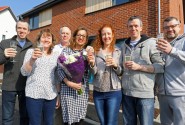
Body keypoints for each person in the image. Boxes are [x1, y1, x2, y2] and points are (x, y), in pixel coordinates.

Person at [121, 16, 164, 125]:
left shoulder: (151, 43)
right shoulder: (123, 46)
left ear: (141, 27)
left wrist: (139, 67)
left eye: (136, 26)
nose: (133, 28)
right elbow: (121, 69)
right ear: (127, 28)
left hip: (144, 95)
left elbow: (160, 66)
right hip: (127, 94)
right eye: (130, 26)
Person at [20, 29, 60, 125]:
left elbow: (57, 76)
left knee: (49, 122)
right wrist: (32, 60)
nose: (46, 39)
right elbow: (24, 72)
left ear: (52, 41)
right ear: (39, 39)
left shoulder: (56, 55)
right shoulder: (31, 52)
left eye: (48, 37)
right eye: (43, 37)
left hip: (51, 94)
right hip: (34, 93)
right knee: (35, 122)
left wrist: (58, 94)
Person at [87, 24, 122, 125]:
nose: (106, 36)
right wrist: (92, 64)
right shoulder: (96, 51)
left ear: (113, 35)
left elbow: (121, 72)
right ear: (100, 36)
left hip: (114, 92)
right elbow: (94, 72)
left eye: (108, 33)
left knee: (110, 122)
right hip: (98, 92)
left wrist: (115, 65)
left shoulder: (118, 51)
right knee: (103, 122)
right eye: (104, 34)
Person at [0, 20, 32, 125]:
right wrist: (4, 55)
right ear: (16, 29)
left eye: (24, 28)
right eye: (19, 28)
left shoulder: (32, 46)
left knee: (25, 116)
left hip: (25, 86)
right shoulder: (5, 43)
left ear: (28, 31)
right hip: (9, 86)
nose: (21, 30)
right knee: (7, 118)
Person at [57, 27, 89, 125]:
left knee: (79, 121)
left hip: (81, 90)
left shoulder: (87, 53)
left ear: (86, 39)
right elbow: (59, 69)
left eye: (83, 36)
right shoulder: (66, 51)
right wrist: (68, 82)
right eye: (79, 35)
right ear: (74, 37)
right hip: (67, 90)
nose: (81, 37)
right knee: (68, 120)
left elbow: (91, 70)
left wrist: (91, 62)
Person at [156, 16, 185, 125]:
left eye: (173, 26)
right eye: (166, 27)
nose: (170, 29)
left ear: (179, 26)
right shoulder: (160, 44)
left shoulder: (183, 41)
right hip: (162, 93)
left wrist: (172, 50)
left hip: (180, 93)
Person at [53, 26, 72, 125]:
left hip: (71, 85)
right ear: (59, 35)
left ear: (70, 35)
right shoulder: (55, 49)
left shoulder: (74, 48)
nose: (64, 35)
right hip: (58, 84)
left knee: (70, 113)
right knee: (58, 112)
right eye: (63, 33)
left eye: (67, 33)